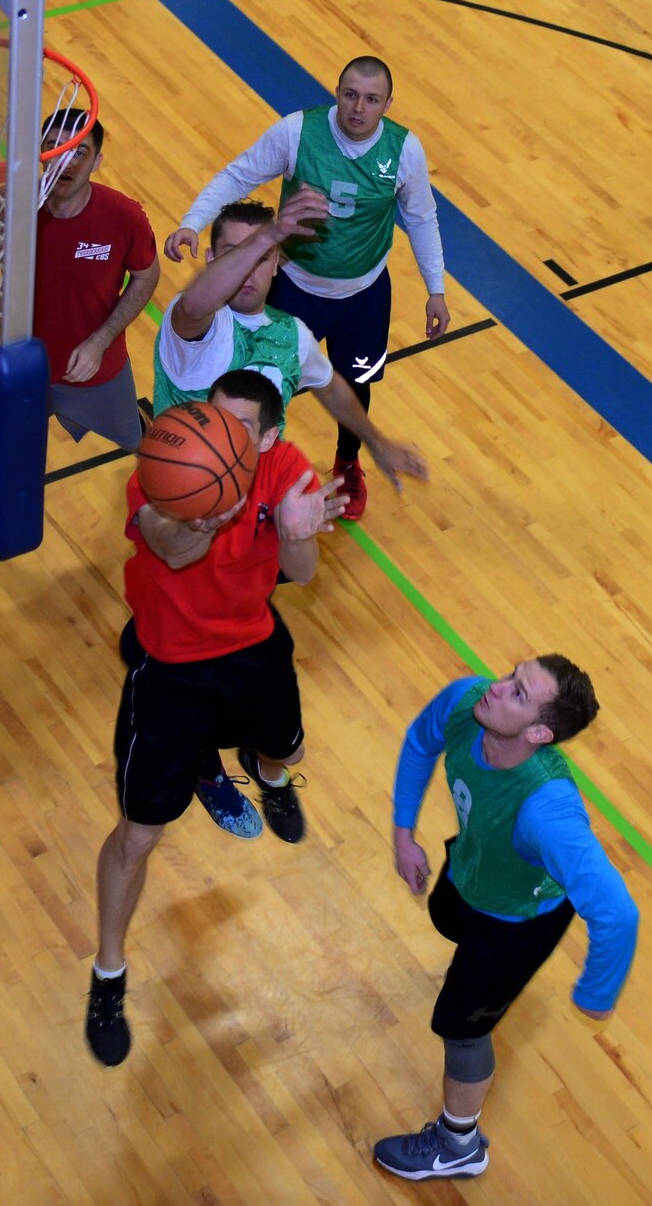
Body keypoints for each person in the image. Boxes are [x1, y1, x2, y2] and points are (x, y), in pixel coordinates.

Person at [83, 369, 345, 1068]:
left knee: (283, 750)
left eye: (238, 432)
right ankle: (108, 973)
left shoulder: (289, 469)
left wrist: (297, 531)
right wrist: (214, 508)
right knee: (139, 835)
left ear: (268, 437)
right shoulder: (172, 460)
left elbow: (305, 573)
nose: (218, 436)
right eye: (212, 420)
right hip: (170, 666)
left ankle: (269, 780)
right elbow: (170, 547)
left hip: (254, 646)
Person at [153, 189, 430, 839]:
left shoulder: (290, 335)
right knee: (191, 666)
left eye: (263, 257)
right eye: (233, 255)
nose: (249, 271)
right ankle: (202, 761)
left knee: (253, 645)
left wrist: (379, 443)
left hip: (252, 528)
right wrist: (269, 229)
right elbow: (196, 299)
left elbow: (331, 386)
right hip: (185, 531)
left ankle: (263, 758)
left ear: (279, 264)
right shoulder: (195, 325)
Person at [373, 659, 639, 1180]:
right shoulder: (465, 703)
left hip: (517, 924)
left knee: (460, 1025)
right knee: (446, 915)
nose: (494, 688)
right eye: (510, 675)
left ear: (540, 732)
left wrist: (596, 995)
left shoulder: (548, 810)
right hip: (476, 866)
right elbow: (420, 741)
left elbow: (617, 911)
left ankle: (459, 1144)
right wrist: (403, 834)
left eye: (517, 694)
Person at [164, 56, 448, 520]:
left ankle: (348, 461)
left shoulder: (405, 151)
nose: (358, 108)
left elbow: (421, 217)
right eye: (350, 94)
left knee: (353, 384)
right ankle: (247, 464)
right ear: (336, 91)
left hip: (365, 295)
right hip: (294, 286)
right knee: (265, 384)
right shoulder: (298, 132)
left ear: (388, 104)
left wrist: (435, 288)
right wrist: (194, 222)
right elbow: (239, 175)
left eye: (372, 100)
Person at [0, 108, 161, 593]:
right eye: (57, 149)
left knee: (136, 441)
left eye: (80, 150)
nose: (68, 161)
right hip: (18, 374)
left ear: (97, 160)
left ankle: (165, 510)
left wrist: (101, 340)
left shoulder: (123, 216)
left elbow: (146, 274)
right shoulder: (5, 208)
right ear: (41, 155)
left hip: (97, 373)